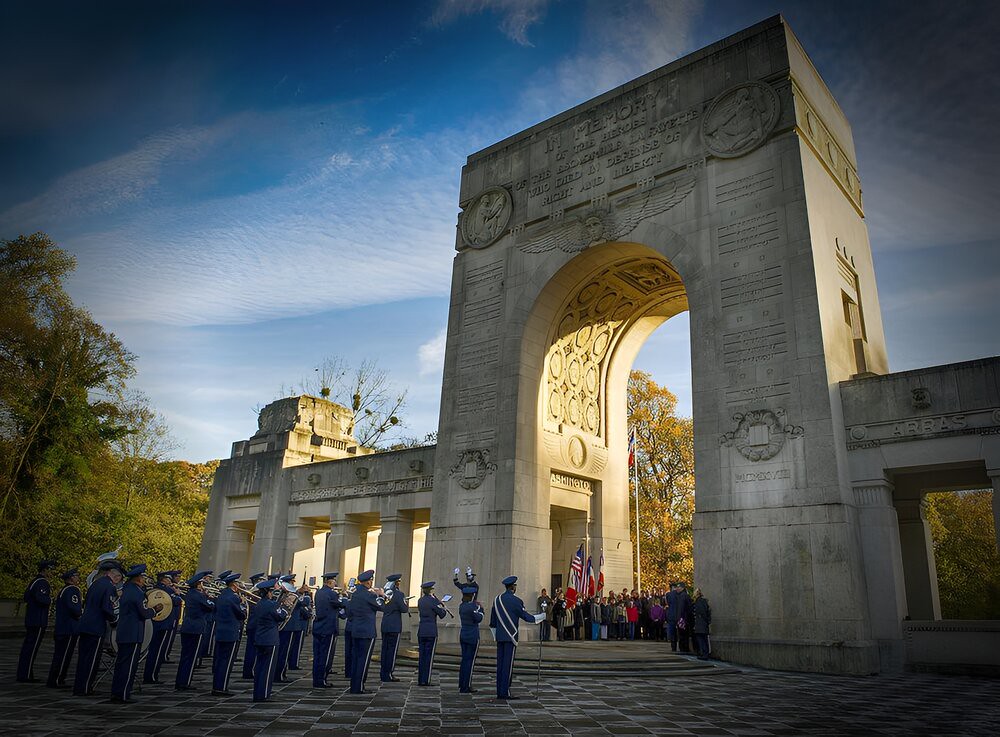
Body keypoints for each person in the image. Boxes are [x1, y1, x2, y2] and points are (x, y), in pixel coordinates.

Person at [111, 564, 161, 703]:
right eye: (143, 577)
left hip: (124, 632)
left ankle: (117, 691)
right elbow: (144, 612)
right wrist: (155, 610)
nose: (144, 580)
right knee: (129, 666)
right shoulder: (137, 593)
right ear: (138, 578)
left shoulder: (125, 589)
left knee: (121, 664)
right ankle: (123, 693)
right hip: (133, 633)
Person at [73, 560, 122, 696]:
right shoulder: (109, 587)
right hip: (96, 627)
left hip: (86, 624)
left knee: (83, 658)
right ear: (115, 575)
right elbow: (107, 608)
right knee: (92, 660)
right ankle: (86, 687)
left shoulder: (96, 584)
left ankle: (79, 686)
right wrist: (115, 620)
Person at [489, 575, 539, 700]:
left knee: (500, 664)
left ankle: (500, 691)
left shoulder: (497, 600)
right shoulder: (517, 601)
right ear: (513, 587)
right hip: (511, 636)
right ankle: (504, 692)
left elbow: (493, 621)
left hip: (500, 636)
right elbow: (526, 617)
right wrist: (540, 617)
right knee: (507, 665)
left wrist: (496, 635)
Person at [175, 571, 214, 691]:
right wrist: (208, 597)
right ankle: (185, 682)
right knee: (191, 657)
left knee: (185, 656)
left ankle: (180, 681)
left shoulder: (190, 594)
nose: (203, 586)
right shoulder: (199, 595)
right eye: (201, 583)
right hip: (196, 628)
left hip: (187, 626)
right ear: (198, 584)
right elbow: (211, 606)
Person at [17, 559, 55, 683]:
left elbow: (27, 596)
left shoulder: (34, 581)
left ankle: (24, 672)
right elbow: (41, 598)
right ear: (45, 569)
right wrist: (50, 600)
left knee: (28, 647)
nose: (52, 572)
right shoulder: (42, 582)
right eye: (50, 569)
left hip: (31, 618)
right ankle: (26, 674)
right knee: (31, 648)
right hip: (38, 619)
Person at [252, 578, 288, 702]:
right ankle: (264, 694)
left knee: (259, 667)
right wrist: (283, 607)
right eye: (271, 591)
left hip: (260, 638)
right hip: (270, 639)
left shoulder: (259, 604)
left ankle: (257, 693)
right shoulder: (272, 605)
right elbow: (281, 616)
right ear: (268, 592)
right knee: (267, 669)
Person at [348, 569, 384, 694]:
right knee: (363, 660)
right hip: (367, 631)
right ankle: (359, 687)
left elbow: (350, 613)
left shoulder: (355, 594)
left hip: (356, 630)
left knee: (356, 659)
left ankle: (354, 686)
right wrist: (381, 595)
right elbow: (382, 607)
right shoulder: (369, 595)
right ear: (368, 582)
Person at [46, 567, 82, 688]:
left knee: (60, 654)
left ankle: (55, 678)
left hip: (62, 627)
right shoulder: (72, 590)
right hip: (69, 628)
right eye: (76, 576)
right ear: (71, 578)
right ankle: (57, 679)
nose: (78, 578)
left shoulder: (64, 590)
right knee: (64, 655)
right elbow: (75, 609)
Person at [212, 572, 246, 696]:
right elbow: (242, 615)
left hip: (221, 631)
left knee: (220, 661)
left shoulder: (222, 595)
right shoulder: (233, 597)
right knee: (226, 663)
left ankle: (217, 686)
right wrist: (242, 603)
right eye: (238, 584)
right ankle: (221, 687)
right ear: (234, 585)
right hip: (230, 632)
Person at [142, 571, 177, 685]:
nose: (170, 581)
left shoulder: (152, 589)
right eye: (168, 579)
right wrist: (177, 592)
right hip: (163, 623)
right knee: (157, 652)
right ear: (164, 579)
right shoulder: (167, 590)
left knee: (153, 650)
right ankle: (151, 676)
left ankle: (149, 675)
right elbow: (177, 601)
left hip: (154, 623)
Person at [311, 571, 345, 688]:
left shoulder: (319, 593)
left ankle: (316, 679)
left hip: (318, 627)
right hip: (328, 628)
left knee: (318, 655)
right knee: (326, 656)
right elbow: (341, 604)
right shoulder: (332, 594)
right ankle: (322, 679)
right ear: (330, 582)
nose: (335, 583)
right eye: (334, 581)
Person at [416, 581, 447, 686]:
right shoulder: (433, 601)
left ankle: (420, 679)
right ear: (431, 590)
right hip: (431, 631)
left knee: (422, 657)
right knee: (429, 657)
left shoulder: (420, 601)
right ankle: (426, 679)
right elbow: (442, 614)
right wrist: (442, 606)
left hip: (421, 630)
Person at [379, 573, 409, 683]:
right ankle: (389, 673)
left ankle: (383, 672)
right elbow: (404, 609)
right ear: (397, 583)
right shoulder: (399, 594)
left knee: (385, 650)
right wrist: (404, 600)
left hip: (385, 624)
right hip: (394, 626)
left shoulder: (384, 594)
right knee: (392, 651)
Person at [241, 572, 266, 679]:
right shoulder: (255, 595)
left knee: (251, 649)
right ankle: (250, 671)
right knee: (253, 650)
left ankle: (248, 670)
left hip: (253, 625)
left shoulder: (253, 594)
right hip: (256, 625)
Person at [283, 580, 312, 676]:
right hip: (293, 624)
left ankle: (289, 665)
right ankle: (291, 664)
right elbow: (304, 603)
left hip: (293, 624)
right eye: (291, 582)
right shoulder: (292, 596)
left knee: (290, 647)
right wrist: (305, 593)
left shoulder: (292, 595)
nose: (292, 585)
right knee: (290, 648)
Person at [458, 585, 483, 693]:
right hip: (472, 635)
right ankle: (466, 685)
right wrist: (480, 609)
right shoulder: (472, 607)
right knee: (470, 661)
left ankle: (462, 683)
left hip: (463, 634)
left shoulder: (461, 606)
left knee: (464, 660)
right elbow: (479, 618)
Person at [274, 574, 297, 682]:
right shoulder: (287, 595)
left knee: (283, 652)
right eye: (291, 582)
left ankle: (280, 673)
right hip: (287, 627)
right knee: (284, 652)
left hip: (284, 626)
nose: (293, 584)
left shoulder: (284, 595)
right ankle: (279, 674)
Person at [163, 569, 183, 662]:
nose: (179, 579)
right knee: (168, 638)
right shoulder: (168, 589)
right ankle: (164, 655)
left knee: (170, 637)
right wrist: (177, 594)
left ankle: (165, 654)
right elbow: (176, 600)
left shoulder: (172, 588)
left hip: (174, 615)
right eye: (177, 577)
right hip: (170, 615)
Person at [691, 588, 712, 659]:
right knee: (703, 639)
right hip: (702, 623)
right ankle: (704, 653)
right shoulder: (702, 601)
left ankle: (704, 653)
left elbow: (702, 613)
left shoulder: (699, 602)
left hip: (701, 623)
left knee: (701, 639)